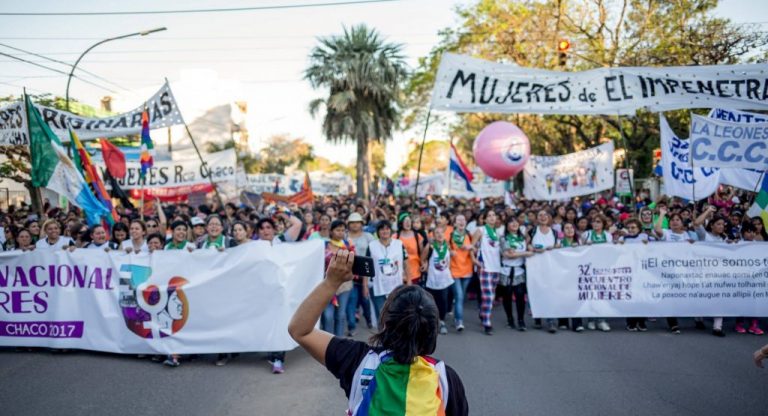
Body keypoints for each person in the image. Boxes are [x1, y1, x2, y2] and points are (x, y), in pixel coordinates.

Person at [288, 251, 469, 415]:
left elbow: (299, 330)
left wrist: (331, 281)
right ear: (432, 332)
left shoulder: (357, 360)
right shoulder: (446, 378)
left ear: (384, 322)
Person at [693, 205, 729, 337]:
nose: (721, 227)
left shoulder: (725, 240)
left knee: (719, 298)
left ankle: (717, 327)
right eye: (718, 224)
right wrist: (708, 211)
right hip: (703, 273)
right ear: (712, 225)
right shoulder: (704, 236)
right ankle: (698, 319)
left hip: (719, 274)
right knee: (702, 297)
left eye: (723, 225)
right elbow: (696, 223)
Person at [367, 220, 410, 320]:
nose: (384, 231)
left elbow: (406, 264)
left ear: (391, 231)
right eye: (382, 229)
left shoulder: (399, 244)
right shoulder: (371, 246)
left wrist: (409, 281)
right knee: (381, 315)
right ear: (378, 232)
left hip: (396, 286)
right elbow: (367, 266)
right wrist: (365, 285)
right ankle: (382, 335)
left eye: (387, 229)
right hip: (378, 286)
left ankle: (396, 335)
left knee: (396, 314)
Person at [499, 216, 534, 331]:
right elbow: (507, 255)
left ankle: (521, 320)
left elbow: (529, 249)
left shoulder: (523, 238)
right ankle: (510, 319)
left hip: (519, 271)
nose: (514, 224)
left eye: (516, 222)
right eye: (511, 222)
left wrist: (527, 248)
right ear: (507, 226)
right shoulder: (504, 238)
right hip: (506, 271)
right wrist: (524, 253)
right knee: (507, 297)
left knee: (520, 297)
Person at [322, 220, 354, 337]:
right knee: (328, 316)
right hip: (328, 285)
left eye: (342, 230)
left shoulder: (348, 245)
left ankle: (339, 342)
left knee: (340, 316)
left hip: (344, 285)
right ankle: (326, 343)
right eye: (337, 230)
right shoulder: (324, 245)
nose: (340, 233)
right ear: (331, 231)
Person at [472, 209, 502, 335]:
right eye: (488, 216)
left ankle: (483, 313)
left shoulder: (499, 232)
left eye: (493, 215)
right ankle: (487, 323)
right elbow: (471, 246)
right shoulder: (481, 230)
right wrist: (474, 260)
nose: (491, 217)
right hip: (484, 266)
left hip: (496, 267)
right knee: (488, 296)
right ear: (484, 219)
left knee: (491, 295)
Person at [346, 212, 374, 335]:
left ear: (362, 224)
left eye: (357, 222)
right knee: (351, 302)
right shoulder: (345, 237)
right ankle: (351, 326)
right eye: (352, 223)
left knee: (365, 300)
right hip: (349, 276)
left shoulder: (368, 237)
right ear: (349, 224)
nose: (355, 225)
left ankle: (369, 319)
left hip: (365, 276)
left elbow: (374, 254)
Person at [423, 224, 455, 335]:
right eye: (437, 233)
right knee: (432, 304)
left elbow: (448, 261)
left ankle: (441, 322)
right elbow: (423, 259)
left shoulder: (447, 245)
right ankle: (432, 324)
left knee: (443, 303)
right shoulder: (430, 247)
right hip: (433, 281)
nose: (440, 235)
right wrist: (425, 264)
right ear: (434, 236)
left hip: (445, 280)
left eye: (441, 232)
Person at [448, 214, 474, 332]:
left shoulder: (469, 235)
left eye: (463, 219)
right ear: (455, 223)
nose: (461, 222)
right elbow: (443, 248)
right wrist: (450, 252)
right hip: (454, 270)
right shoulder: (450, 235)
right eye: (458, 220)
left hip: (467, 270)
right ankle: (459, 320)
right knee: (459, 296)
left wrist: (471, 247)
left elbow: (476, 248)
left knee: (461, 297)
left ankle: (456, 314)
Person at [395, 213, 427, 285]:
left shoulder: (417, 236)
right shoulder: (395, 237)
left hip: (415, 273)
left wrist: (425, 263)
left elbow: (422, 254)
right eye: (405, 221)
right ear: (401, 223)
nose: (408, 223)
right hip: (400, 274)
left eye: (409, 221)